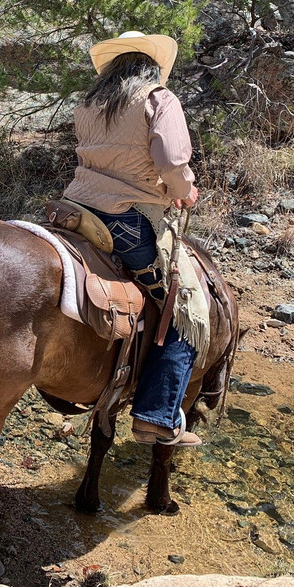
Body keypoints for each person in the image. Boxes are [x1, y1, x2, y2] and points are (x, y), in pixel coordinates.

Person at [62, 31, 204, 447]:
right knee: (184, 308)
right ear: (152, 66)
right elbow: (173, 162)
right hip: (129, 216)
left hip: (76, 209)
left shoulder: (89, 104)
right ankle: (156, 417)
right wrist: (184, 191)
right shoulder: (159, 99)